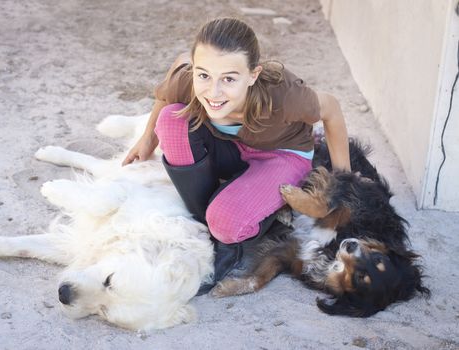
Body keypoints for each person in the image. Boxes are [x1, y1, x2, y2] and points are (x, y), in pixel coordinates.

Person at [123, 17, 350, 293]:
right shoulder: (191, 79)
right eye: (204, 74)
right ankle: (204, 219)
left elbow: (332, 109)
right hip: (229, 145)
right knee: (171, 120)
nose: (214, 92)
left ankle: (238, 231)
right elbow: (168, 91)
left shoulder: (285, 95)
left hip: (279, 154)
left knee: (227, 223)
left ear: (253, 75)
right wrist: (147, 138)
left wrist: (343, 181)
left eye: (229, 78)